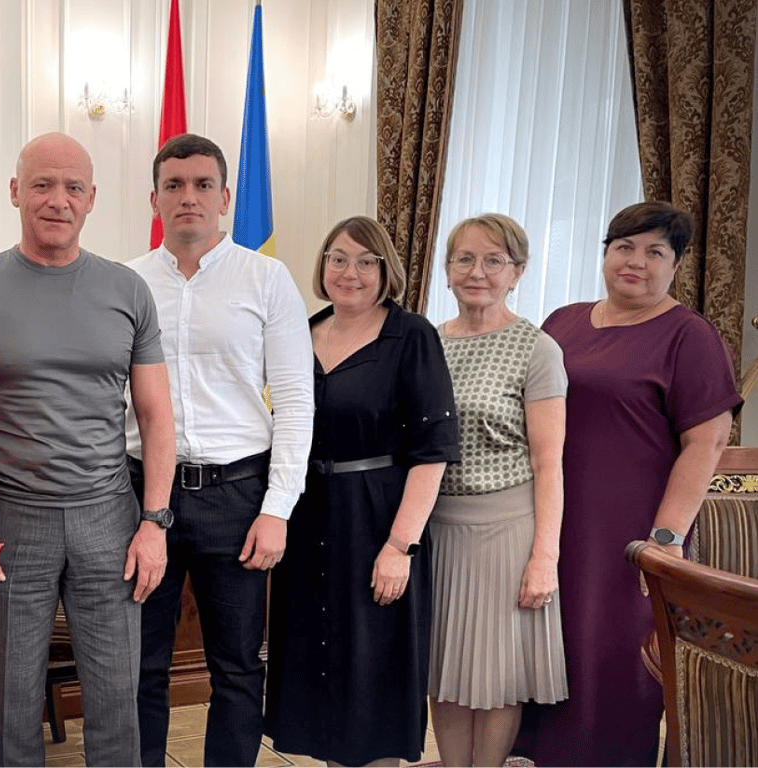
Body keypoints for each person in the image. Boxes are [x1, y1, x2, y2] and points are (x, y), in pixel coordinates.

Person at [0, 132, 176, 768]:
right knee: (13, 704)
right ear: (16, 192)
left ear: (92, 198)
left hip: (110, 521)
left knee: (116, 702)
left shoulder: (128, 290)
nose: (57, 200)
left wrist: (155, 523)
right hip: (9, 524)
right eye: (42, 185)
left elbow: (156, 417)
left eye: (73, 187)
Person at [515, 201, 741, 768]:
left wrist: (665, 540)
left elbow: (707, 443)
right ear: (605, 255)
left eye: (654, 252)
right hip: (547, 522)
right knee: (543, 655)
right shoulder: (562, 322)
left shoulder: (690, 336)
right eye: (624, 247)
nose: (635, 261)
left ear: (675, 265)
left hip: (628, 538)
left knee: (610, 667)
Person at [126, 133, 313, 768]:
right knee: (141, 664)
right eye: (174, 185)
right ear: (154, 198)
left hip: (236, 496)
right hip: (142, 495)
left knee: (236, 667)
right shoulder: (126, 283)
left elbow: (295, 400)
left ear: (226, 198)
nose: (189, 197)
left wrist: (278, 508)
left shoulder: (266, 279)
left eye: (203, 185)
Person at [265, 216, 460, 768]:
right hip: (308, 520)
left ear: (385, 269)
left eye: (365, 261)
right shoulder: (300, 331)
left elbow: (432, 452)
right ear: (322, 265)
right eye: (338, 259)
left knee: (373, 677)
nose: (349, 272)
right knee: (323, 677)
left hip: (377, 521)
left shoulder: (411, 335)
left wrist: (400, 547)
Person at [427, 214, 568, 768]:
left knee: (497, 675)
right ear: (447, 270)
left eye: (494, 260)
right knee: (445, 669)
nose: (477, 272)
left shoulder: (538, 349)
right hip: (436, 531)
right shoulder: (428, 342)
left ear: (518, 272)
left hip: (507, 534)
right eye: (464, 259)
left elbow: (548, 463)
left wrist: (544, 558)